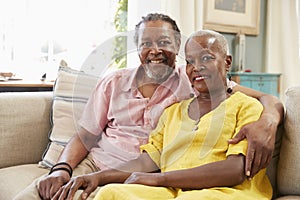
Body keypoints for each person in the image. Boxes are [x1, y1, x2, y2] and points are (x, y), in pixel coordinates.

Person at [15, 13, 283, 200]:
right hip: (101, 165)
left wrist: (269, 120)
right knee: (42, 192)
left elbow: (264, 99)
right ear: (138, 49)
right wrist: (63, 169)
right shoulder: (120, 86)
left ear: (176, 47)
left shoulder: (203, 86)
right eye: (146, 44)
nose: (155, 50)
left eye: (164, 42)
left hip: (154, 178)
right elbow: (86, 138)